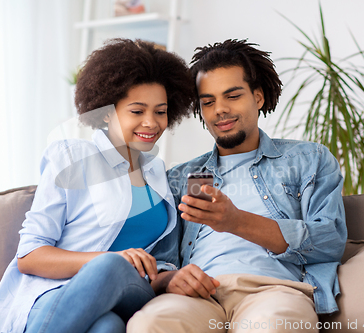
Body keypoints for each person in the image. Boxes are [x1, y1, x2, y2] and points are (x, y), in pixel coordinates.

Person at [127, 39, 347, 333]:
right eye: (208, 102)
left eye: (232, 96)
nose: (220, 110)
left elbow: (329, 240)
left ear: (257, 97)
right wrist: (169, 279)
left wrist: (236, 221)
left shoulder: (308, 159)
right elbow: (162, 259)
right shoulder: (183, 176)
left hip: (274, 292)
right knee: (149, 324)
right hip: (198, 295)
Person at [0, 38, 194, 333]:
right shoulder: (72, 157)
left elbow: (162, 261)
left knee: (112, 271)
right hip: (53, 296)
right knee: (107, 327)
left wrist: (169, 277)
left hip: (131, 291)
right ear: (107, 112)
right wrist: (109, 259)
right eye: (137, 111)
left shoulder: (160, 173)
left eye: (160, 111)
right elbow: (29, 256)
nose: (151, 123)